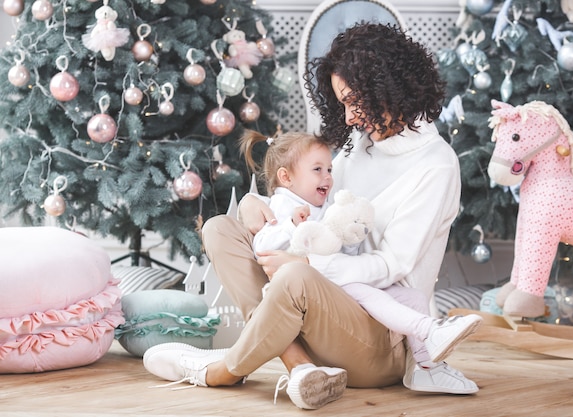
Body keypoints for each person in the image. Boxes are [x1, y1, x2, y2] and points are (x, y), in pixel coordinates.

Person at [143, 22, 481, 410]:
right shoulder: (362, 144)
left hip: (382, 341)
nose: (351, 117)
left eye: (355, 100)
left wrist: (308, 263)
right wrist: (261, 202)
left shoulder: (435, 166)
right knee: (221, 228)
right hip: (322, 313)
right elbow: (314, 212)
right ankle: (300, 365)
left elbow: (391, 266)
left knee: (296, 274)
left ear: (389, 86)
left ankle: (224, 371)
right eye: (344, 104)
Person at [241, 127, 481, 368]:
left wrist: (352, 240)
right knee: (368, 295)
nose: (327, 177)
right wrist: (290, 225)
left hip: (336, 282)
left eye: (329, 169)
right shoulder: (284, 205)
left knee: (414, 297)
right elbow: (261, 245)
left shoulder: (322, 207)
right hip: (315, 291)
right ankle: (428, 329)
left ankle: (425, 364)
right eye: (317, 170)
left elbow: (336, 250)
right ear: (286, 177)